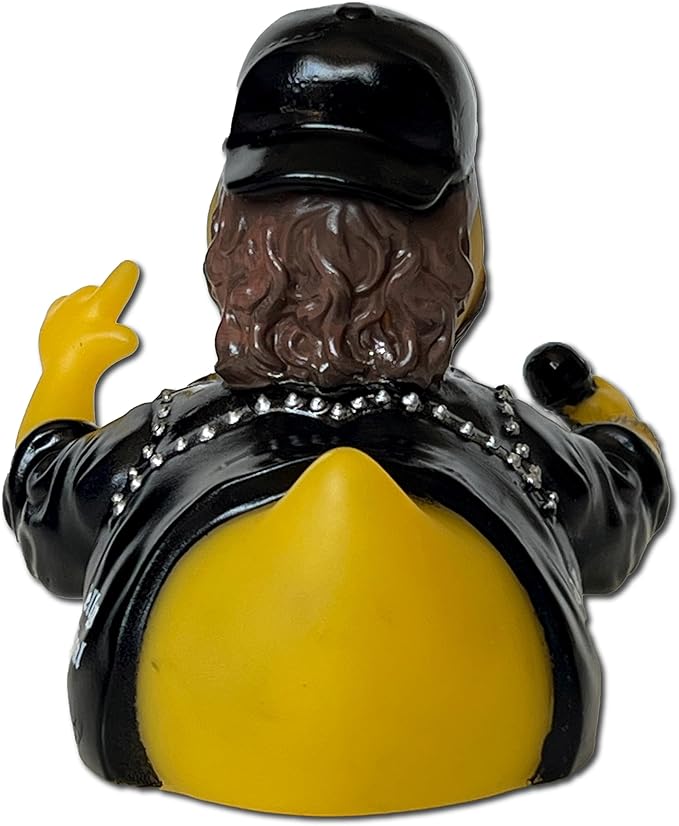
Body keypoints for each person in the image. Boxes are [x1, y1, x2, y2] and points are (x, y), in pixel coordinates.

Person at [3, 4, 669, 817]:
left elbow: (42, 505)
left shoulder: (168, 436)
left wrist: (66, 368)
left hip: (153, 741)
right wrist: (602, 412)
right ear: (465, 243)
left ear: (221, 229)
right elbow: (623, 507)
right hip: (508, 757)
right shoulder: (504, 437)